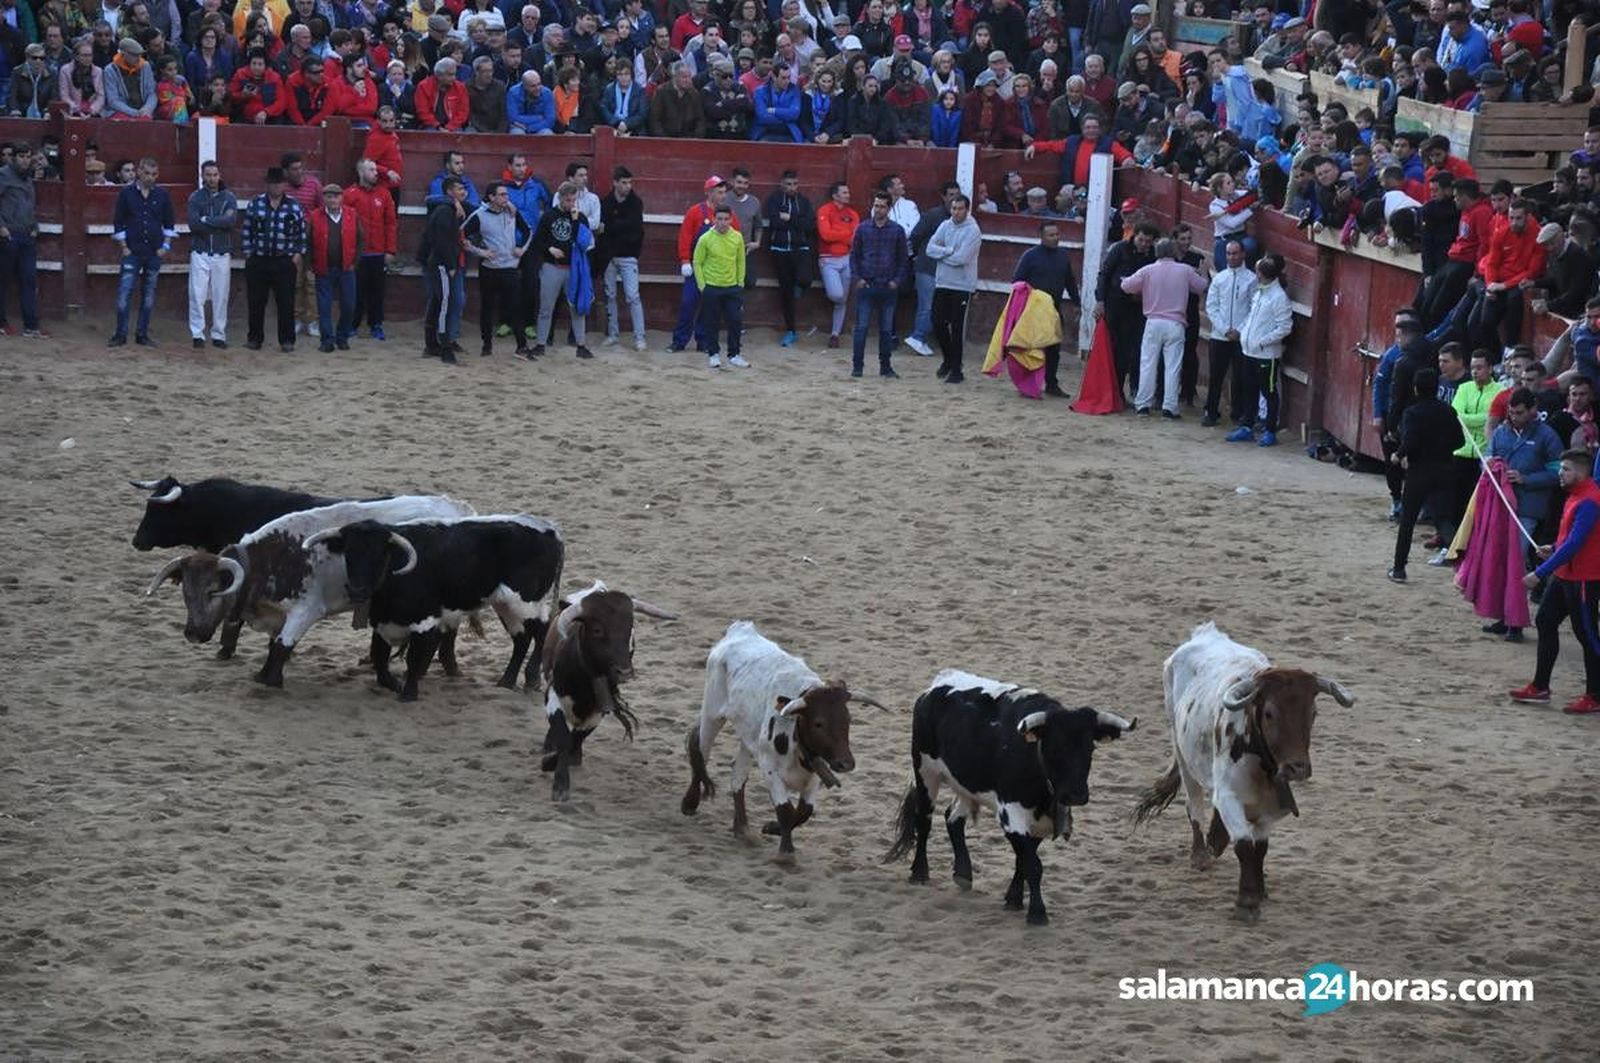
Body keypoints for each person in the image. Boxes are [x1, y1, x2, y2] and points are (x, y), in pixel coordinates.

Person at [1509, 449, 1600, 714]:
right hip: (1566, 575)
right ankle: (1540, 686)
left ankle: (1594, 694)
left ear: (1581, 472)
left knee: (1588, 635)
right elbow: (1570, 539)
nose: (1560, 474)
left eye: (1566, 469)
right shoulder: (1577, 497)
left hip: (1584, 577)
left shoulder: (1589, 500)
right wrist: (1553, 547)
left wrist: (1540, 572)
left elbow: (1576, 543)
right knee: (1546, 621)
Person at [1486, 388, 1565, 642]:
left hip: (1528, 507)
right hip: (1501, 506)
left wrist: (1526, 479)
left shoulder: (1546, 435)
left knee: (1516, 560)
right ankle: (1504, 616)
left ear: (1533, 410)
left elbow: (1558, 474)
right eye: (1511, 412)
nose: (1514, 417)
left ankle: (1516, 622)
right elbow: (1489, 457)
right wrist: (1489, 466)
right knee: (1500, 559)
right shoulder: (1502, 432)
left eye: (1520, 413)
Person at [1389, 367, 1465, 583]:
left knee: (1408, 521)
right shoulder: (1448, 411)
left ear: (1415, 388)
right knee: (1443, 520)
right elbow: (1460, 442)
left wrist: (1398, 454)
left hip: (1419, 471)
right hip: (1444, 470)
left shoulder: (1412, 413)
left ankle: (1399, 569)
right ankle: (1462, 561)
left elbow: (1410, 442)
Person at [1120, 238, 1207, 419]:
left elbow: (1126, 286)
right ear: (1174, 252)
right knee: (1173, 366)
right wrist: (1204, 273)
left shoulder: (1148, 270)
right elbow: (1202, 287)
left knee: (1148, 364)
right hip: (1175, 323)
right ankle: (1169, 407)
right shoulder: (1185, 270)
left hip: (1153, 322)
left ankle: (1143, 405)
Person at [1228, 252, 1294, 446]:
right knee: (1249, 390)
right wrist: (1242, 333)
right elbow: (1251, 319)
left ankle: (1270, 430)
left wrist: (1262, 341)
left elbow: (1284, 327)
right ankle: (1247, 426)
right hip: (1250, 351)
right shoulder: (1261, 293)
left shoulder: (1278, 297)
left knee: (1269, 392)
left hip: (1266, 355)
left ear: (1261, 274)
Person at [108, 157, 174, 347]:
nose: (150, 178)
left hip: (154, 252)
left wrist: (165, 247)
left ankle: (141, 334)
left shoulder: (163, 195)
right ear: (139, 172)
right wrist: (124, 248)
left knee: (148, 296)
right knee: (124, 294)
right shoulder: (126, 194)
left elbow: (169, 222)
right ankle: (121, 334)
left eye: (154, 174)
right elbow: (118, 222)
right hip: (133, 251)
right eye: (147, 173)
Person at [463, 180, 532, 358]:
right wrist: (480, 252)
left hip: (509, 267)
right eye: (502, 195)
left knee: (516, 307)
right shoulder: (480, 215)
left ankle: (522, 346)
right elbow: (461, 235)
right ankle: (486, 345)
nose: (506, 198)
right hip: (490, 268)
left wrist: (522, 248)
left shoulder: (511, 212)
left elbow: (528, 231)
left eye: (506, 194)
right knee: (487, 308)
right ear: (491, 197)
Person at [1010, 219, 1079, 397]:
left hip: (1054, 309)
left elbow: (1070, 281)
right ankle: (1029, 384)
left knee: (1054, 349)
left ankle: (1051, 383)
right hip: (1033, 311)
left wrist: (1077, 302)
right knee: (1031, 348)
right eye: (1051, 235)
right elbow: (1017, 282)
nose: (1055, 238)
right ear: (1041, 236)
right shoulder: (1030, 256)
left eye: (1057, 235)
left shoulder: (1063, 256)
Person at [240, 166, 306, 353]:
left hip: (283, 261)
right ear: (267, 184)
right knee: (256, 301)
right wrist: (249, 253)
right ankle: (254, 339)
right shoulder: (255, 204)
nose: (276, 187)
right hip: (259, 260)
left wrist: (297, 254)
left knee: (286, 302)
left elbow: (300, 233)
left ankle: (286, 341)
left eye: (279, 183)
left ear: (284, 185)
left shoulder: (294, 205)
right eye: (273, 183)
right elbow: (247, 231)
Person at [529, 180, 595, 360]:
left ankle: (581, 345)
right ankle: (541, 344)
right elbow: (538, 242)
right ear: (560, 198)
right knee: (546, 307)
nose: (571, 204)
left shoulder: (579, 218)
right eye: (568, 200)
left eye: (573, 200)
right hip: (552, 266)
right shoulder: (549, 216)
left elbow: (582, 242)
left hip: (573, 268)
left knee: (577, 308)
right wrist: (549, 249)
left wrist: (574, 221)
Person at [849, 190, 909, 379]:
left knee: (885, 329)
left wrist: (896, 281)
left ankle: (885, 367)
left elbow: (903, 260)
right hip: (867, 284)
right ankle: (857, 367)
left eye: (882, 206)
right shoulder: (863, 228)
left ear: (889, 208)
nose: (878, 209)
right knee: (862, 328)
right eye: (876, 206)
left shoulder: (897, 230)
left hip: (887, 286)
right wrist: (857, 279)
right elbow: (854, 256)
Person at [1096, 220, 1156, 397]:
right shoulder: (1119, 249)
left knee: (1135, 349)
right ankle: (1114, 391)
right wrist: (1100, 301)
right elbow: (1104, 275)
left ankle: (1132, 389)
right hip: (1115, 305)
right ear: (1134, 236)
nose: (1144, 244)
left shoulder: (1153, 254)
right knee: (1115, 349)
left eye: (1148, 241)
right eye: (1141, 240)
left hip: (1139, 308)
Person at [926, 193, 980, 384]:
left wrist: (941, 254)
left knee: (957, 327)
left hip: (962, 285)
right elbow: (929, 249)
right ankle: (949, 360)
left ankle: (956, 370)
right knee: (937, 323)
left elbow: (962, 259)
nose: (956, 212)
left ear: (967, 210)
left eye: (960, 209)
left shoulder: (973, 230)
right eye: (954, 208)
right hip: (943, 282)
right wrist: (948, 251)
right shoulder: (945, 225)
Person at [905, 181, 959, 359]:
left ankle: (920, 337)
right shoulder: (934, 215)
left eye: (956, 195)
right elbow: (915, 236)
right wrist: (919, 256)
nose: (954, 199)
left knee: (932, 306)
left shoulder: (956, 217)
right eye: (951, 195)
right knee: (928, 306)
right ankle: (918, 337)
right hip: (927, 267)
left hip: (941, 269)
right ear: (943, 196)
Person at [1203, 239, 1252, 428]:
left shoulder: (1251, 279)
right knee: (1216, 375)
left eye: (1235, 253)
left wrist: (1240, 331)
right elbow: (1211, 307)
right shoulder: (1219, 278)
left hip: (1241, 337)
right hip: (1220, 335)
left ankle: (1238, 412)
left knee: (1240, 376)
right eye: (1229, 253)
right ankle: (1211, 411)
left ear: (1243, 254)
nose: (1232, 257)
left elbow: (1251, 309)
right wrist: (1225, 329)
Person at [692, 203, 748, 369]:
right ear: (714, 219)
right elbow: (697, 262)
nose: (723, 222)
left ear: (731, 220)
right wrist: (703, 286)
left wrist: (740, 282)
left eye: (726, 219)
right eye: (719, 219)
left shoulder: (737, 237)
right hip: (712, 286)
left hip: (732, 287)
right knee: (712, 322)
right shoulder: (705, 239)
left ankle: (734, 354)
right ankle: (713, 354)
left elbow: (740, 261)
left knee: (735, 321)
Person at [186, 159, 234, 349]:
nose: (212, 178)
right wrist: (217, 221)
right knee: (197, 294)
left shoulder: (229, 197)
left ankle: (218, 334)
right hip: (200, 252)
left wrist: (207, 219)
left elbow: (230, 221)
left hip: (221, 253)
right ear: (202, 175)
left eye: (215, 175)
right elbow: (194, 224)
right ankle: (197, 334)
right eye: (208, 175)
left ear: (219, 175)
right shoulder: (195, 197)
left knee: (221, 295)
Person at [420, 175, 468, 364]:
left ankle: (432, 344)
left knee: (438, 303)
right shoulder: (444, 211)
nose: (463, 192)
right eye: (459, 189)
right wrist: (451, 265)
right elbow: (443, 242)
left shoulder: (446, 209)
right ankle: (444, 347)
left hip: (437, 262)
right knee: (443, 304)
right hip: (441, 264)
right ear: (449, 192)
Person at [764, 169, 815, 347]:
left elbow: (809, 226)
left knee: (805, 279)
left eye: (795, 184)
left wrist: (789, 218)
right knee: (786, 293)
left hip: (801, 249)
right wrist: (797, 222)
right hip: (780, 250)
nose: (792, 188)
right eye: (788, 184)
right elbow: (775, 223)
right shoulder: (774, 200)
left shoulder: (804, 201)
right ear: (781, 185)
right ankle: (791, 330)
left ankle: (798, 287)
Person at [347, 157, 396, 341]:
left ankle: (376, 325)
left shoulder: (383, 194)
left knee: (377, 292)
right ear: (361, 172)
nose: (376, 173)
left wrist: (390, 250)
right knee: (356, 291)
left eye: (376, 170)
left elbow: (391, 223)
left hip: (378, 251)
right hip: (358, 253)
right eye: (372, 170)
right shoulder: (349, 194)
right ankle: (352, 325)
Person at [308, 183, 360, 352]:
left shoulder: (352, 214)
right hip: (323, 267)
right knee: (324, 306)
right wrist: (311, 264)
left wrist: (354, 262)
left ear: (341, 198)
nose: (332, 200)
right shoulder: (314, 216)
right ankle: (327, 340)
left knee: (349, 305)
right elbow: (308, 242)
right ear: (323, 199)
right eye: (329, 196)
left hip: (346, 267)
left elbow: (360, 240)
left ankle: (342, 336)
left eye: (336, 196)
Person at [600, 165, 647, 352]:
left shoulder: (635, 203)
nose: (628, 186)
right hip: (610, 256)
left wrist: (612, 227)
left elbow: (634, 227)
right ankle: (613, 334)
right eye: (624, 182)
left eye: (630, 182)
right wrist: (620, 227)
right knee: (610, 295)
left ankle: (640, 337)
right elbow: (621, 226)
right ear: (615, 183)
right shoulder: (607, 202)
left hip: (628, 256)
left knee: (632, 296)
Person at [0, 141, 44, 338]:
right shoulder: (3, 175)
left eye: (28, 157)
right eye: (22, 156)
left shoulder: (28, 178)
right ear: (13, 157)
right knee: (2, 280)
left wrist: (34, 227)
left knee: (29, 279)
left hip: (27, 235)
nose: (25, 160)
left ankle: (31, 325)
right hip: (8, 235)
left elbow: (30, 206)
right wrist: (1, 228)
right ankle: (1, 323)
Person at [815, 181, 859, 347]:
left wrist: (839, 234)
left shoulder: (853, 214)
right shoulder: (824, 210)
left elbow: (855, 238)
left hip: (846, 258)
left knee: (842, 299)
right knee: (837, 295)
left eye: (848, 192)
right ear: (835, 195)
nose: (848, 195)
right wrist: (846, 234)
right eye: (845, 192)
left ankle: (835, 334)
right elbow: (825, 235)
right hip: (828, 259)